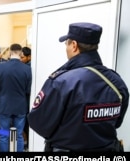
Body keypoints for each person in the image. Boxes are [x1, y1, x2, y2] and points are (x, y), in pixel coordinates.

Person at [28, 22, 129, 152]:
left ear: (74, 45)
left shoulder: (62, 82)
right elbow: (117, 122)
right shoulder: (117, 82)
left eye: (67, 44)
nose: (66, 48)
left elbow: (38, 123)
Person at [0, 43, 32, 152]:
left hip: (4, 105)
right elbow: (28, 90)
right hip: (20, 106)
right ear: (20, 53)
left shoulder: (0, 67)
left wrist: (1, 95)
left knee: (4, 135)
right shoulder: (27, 69)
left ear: (10, 52)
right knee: (19, 135)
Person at [20, 46, 31, 151]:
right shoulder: (24, 66)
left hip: (27, 100)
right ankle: (26, 142)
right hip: (24, 100)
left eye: (22, 57)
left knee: (26, 123)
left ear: (29, 57)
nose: (21, 59)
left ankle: (28, 144)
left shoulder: (29, 68)